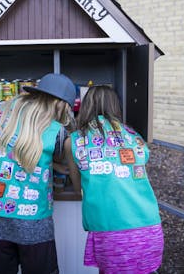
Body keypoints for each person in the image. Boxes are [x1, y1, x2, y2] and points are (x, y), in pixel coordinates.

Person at [0, 73, 76, 274]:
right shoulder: (57, 131)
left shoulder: (0, 113)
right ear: (61, 104)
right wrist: (57, 166)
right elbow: (54, 154)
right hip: (33, 219)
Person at [64, 85, 163, 274]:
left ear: (86, 107)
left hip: (112, 232)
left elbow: (78, 189)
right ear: (115, 107)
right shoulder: (135, 137)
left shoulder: (75, 140)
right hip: (150, 227)